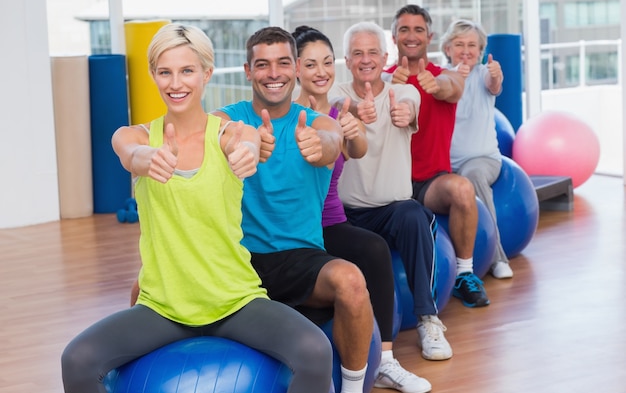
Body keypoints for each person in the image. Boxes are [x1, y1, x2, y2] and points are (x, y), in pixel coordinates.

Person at [60, 24, 333, 393]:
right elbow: (130, 153)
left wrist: (247, 153)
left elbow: (246, 142)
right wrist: (147, 158)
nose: (176, 83)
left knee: (315, 350)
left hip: (234, 300)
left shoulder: (230, 133)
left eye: (187, 70)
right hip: (163, 306)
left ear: (206, 73)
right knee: (76, 360)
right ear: (153, 75)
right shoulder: (136, 136)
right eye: (165, 71)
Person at [212, 26, 375, 393]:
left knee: (351, 282)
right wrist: (248, 141)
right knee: (146, 284)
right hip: (238, 260)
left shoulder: (317, 123)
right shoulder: (225, 118)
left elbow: (333, 141)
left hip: (300, 259)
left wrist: (322, 146)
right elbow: (221, 133)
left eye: (283, 63)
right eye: (263, 65)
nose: (273, 73)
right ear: (248, 71)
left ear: (296, 67)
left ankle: (351, 389)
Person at [292, 25, 431, 393]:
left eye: (325, 63)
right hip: (291, 227)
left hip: (330, 221)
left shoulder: (341, 109)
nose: (320, 71)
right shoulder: (284, 111)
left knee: (373, 249)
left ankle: (385, 360)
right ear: (295, 70)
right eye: (310, 64)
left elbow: (358, 148)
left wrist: (353, 130)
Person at [329, 20, 452, 364]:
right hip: (346, 217)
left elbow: (410, 110)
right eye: (357, 53)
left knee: (415, 214)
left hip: (392, 211)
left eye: (372, 52)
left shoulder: (405, 94)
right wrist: (350, 109)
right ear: (347, 59)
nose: (365, 59)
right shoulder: (336, 94)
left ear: (385, 57)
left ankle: (429, 319)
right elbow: (330, 103)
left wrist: (403, 113)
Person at [384, 4, 490, 308]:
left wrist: (436, 85)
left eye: (418, 29)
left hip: (430, 184)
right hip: (391, 188)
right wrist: (388, 86)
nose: (411, 35)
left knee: (462, 187)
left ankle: (464, 275)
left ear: (429, 36)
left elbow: (452, 88)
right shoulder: (382, 79)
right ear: (394, 37)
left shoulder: (445, 75)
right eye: (404, 29)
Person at [440, 19, 513, 279]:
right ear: (448, 48)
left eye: (472, 45)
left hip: (483, 160)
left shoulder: (483, 73)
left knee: (472, 176)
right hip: (447, 166)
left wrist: (496, 75)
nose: (466, 50)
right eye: (459, 44)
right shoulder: (441, 77)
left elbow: (494, 85)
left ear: (481, 51)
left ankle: (497, 258)